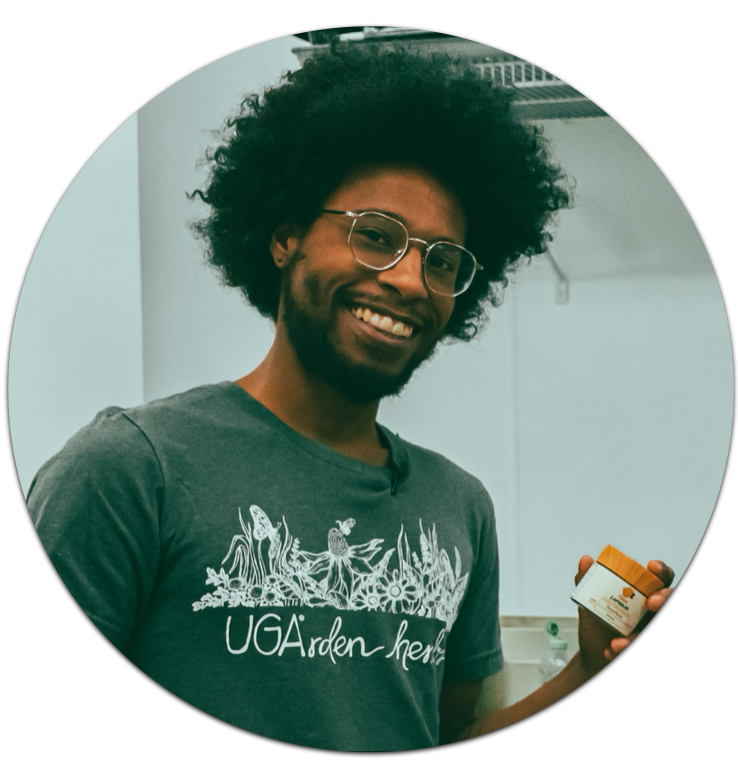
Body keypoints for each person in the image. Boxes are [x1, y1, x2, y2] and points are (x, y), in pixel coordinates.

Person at [27, 42, 673, 750]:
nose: (409, 281)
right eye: (376, 235)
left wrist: (589, 669)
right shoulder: (130, 469)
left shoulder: (459, 506)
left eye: (442, 261)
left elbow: (454, 731)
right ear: (285, 236)